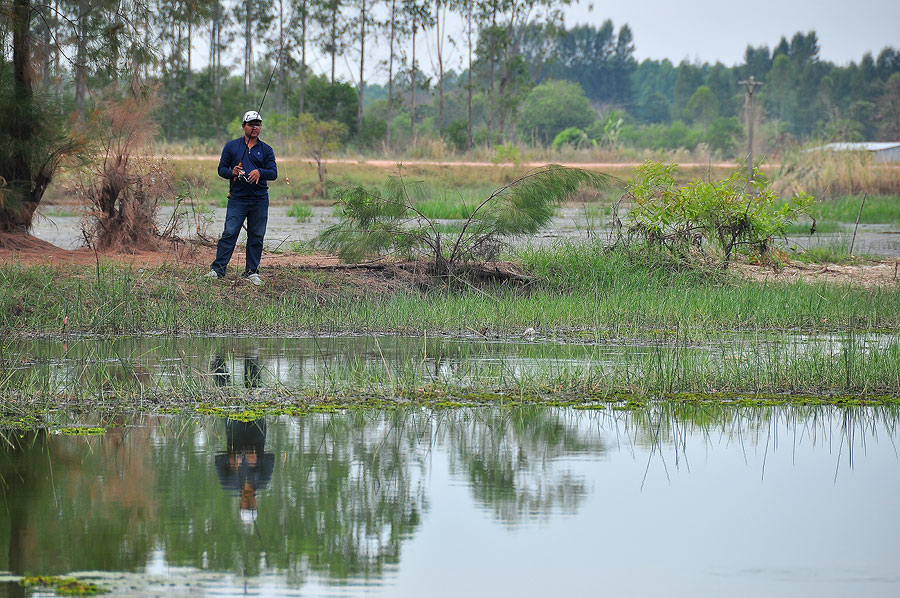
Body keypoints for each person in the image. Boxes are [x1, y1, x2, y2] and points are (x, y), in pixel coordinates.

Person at [205, 110, 278, 286]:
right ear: (243, 126)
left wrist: (259, 172)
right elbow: (221, 169)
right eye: (251, 124)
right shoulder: (231, 147)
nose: (255, 127)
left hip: (259, 199)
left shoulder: (266, 149)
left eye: (258, 124)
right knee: (229, 233)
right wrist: (232, 172)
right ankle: (217, 270)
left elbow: (274, 173)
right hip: (237, 198)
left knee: (256, 235)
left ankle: (251, 272)